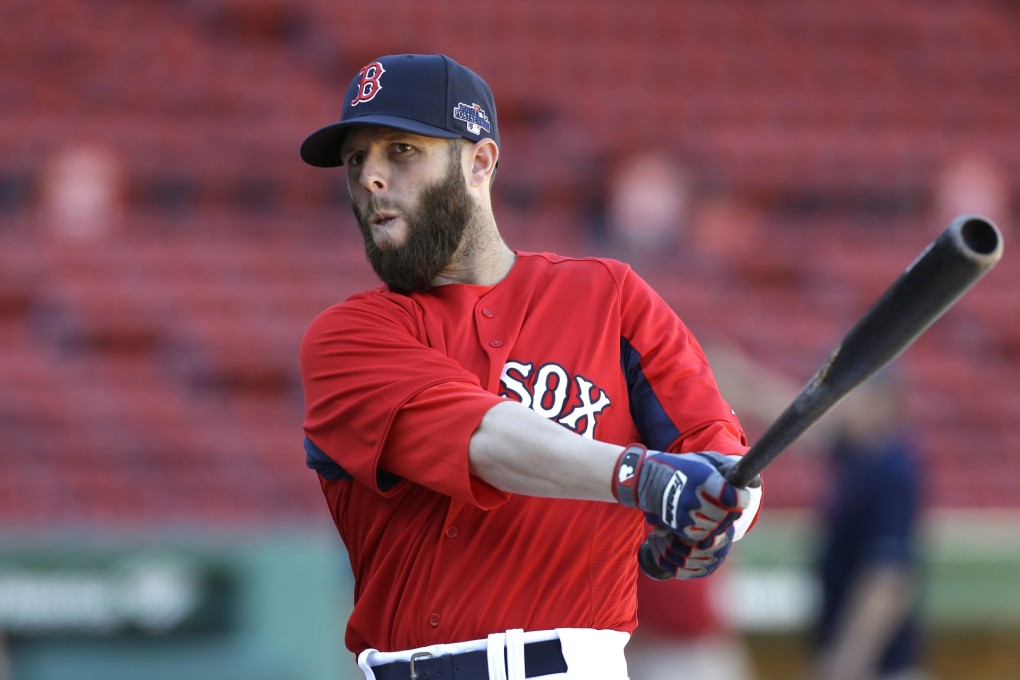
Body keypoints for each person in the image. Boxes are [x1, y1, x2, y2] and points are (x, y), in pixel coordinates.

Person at [297, 53, 763, 680]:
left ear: (480, 162)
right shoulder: (347, 338)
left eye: (401, 150)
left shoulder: (611, 297)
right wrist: (644, 479)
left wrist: (718, 520)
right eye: (357, 160)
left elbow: (722, 459)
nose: (371, 178)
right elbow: (485, 440)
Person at [803, 376, 927, 680]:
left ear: (883, 405)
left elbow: (887, 579)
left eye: (851, 398)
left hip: (878, 668)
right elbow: (802, 427)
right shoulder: (857, 455)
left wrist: (844, 664)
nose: (842, 409)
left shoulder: (891, 471)